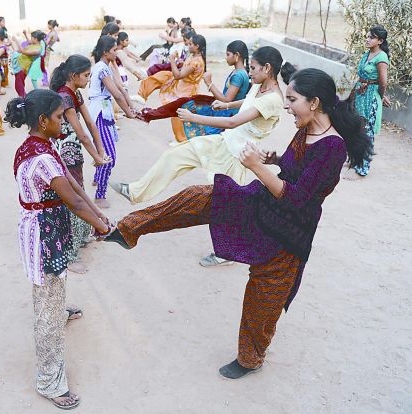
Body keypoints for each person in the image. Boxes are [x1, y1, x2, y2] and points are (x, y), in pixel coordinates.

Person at [104, 67, 373, 379]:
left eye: (292, 100)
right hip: (262, 204)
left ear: (314, 102)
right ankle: (129, 229)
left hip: (290, 233)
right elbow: (290, 168)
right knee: (199, 197)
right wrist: (271, 159)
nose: (287, 106)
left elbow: (296, 198)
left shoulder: (332, 147)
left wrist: (257, 167)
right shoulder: (306, 129)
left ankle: (250, 358)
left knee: (263, 299)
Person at [7, 88, 116, 410]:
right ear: (43, 120)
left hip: (48, 229)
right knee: (46, 311)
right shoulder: (42, 158)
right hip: (41, 235)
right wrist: (102, 226)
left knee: (54, 287)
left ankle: (57, 308)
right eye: (59, 117)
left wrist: (99, 216)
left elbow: (75, 186)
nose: (64, 122)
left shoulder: (39, 145)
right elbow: (74, 199)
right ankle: (49, 381)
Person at [112, 46, 285, 204]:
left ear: (267, 68)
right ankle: (135, 192)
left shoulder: (273, 99)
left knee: (225, 207)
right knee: (175, 155)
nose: (250, 72)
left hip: (237, 156)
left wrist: (193, 117)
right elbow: (248, 102)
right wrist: (226, 105)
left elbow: (232, 122)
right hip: (224, 142)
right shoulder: (259, 86)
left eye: (253, 68)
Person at [50, 54, 113, 273]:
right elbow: (81, 133)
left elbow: (89, 123)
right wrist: (97, 157)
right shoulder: (64, 97)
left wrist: (100, 151)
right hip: (67, 151)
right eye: (86, 76)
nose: (88, 80)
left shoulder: (74, 92)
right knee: (75, 199)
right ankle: (70, 253)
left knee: (80, 191)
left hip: (74, 149)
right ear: (74, 75)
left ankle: (83, 235)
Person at [138, 40, 250, 140]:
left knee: (181, 106)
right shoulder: (238, 72)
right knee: (180, 104)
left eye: (228, 54)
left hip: (226, 112)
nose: (226, 57)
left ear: (237, 55)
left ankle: (149, 115)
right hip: (221, 106)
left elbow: (227, 100)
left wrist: (209, 83)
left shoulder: (238, 75)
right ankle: (149, 114)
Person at [89, 36, 136, 208]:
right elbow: (116, 93)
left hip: (104, 110)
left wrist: (131, 108)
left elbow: (121, 90)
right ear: (105, 52)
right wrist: (128, 113)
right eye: (114, 50)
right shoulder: (102, 69)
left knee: (104, 150)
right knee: (109, 157)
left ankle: (97, 178)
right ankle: (100, 195)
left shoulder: (105, 67)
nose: (116, 52)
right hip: (100, 112)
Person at [138, 33, 207, 141]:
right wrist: (180, 62)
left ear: (197, 46)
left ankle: (183, 140)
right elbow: (184, 69)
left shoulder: (197, 62)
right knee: (174, 114)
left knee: (177, 117)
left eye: (190, 44)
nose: (188, 46)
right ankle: (145, 106)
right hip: (180, 90)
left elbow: (178, 75)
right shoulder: (193, 56)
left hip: (185, 93)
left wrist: (172, 60)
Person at [351, 25, 390, 177]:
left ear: (380, 41)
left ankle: (364, 166)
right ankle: (355, 159)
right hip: (360, 94)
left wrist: (380, 96)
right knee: (356, 128)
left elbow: (383, 82)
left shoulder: (381, 58)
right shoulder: (368, 53)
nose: (367, 39)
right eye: (367, 36)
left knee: (367, 132)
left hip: (371, 97)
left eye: (371, 37)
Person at [11, 30, 46, 97]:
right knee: (20, 84)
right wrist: (25, 34)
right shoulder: (35, 44)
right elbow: (29, 42)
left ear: (35, 39)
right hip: (21, 65)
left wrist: (16, 40)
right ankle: (24, 98)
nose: (31, 39)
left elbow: (22, 51)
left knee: (18, 86)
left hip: (23, 67)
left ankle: (24, 100)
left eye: (32, 38)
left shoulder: (37, 50)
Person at [41, 19, 60, 87]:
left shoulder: (51, 33)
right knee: (45, 65)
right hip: (49, 49)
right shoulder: (55, 33)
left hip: (46, 49)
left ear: (51, 25)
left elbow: (46, 42)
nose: (47, 26)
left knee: (44, 65)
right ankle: (45, 80)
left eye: (48, 24)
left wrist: (42, 39)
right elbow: (58, 40)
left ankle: (46, 81)